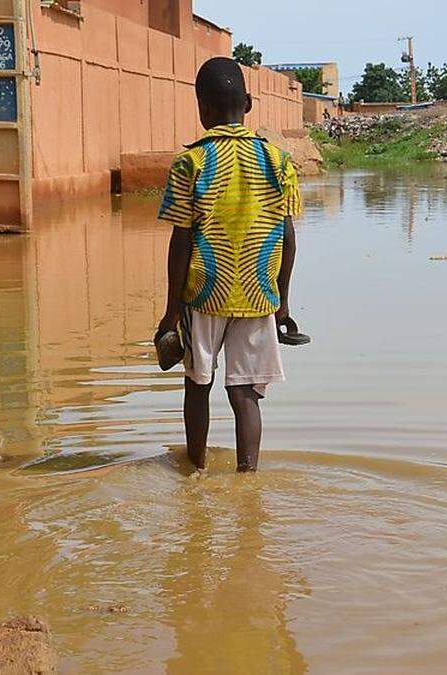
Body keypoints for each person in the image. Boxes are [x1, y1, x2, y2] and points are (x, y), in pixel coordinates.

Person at [156, 57, 302, 473]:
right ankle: (247, 477)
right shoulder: (277, 160)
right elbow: (288, 238)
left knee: (197, 384)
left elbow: (180, 241)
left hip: (205, 294)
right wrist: (283, 303)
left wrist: (170, 313)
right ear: (250, 104)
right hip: (259, 294)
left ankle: (195, 471)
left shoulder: (191, 163)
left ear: (201, 109)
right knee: (245, 395)